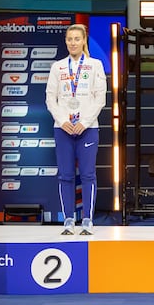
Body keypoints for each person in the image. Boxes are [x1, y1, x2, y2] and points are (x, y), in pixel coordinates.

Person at [45, 24, 107, 235]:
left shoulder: (95, 65)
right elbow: (50, 98)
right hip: (62, 128)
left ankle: (88, 220)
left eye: (76, 39)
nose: (73, 42)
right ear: (66, 41)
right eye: (69, 39)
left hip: (88, 128)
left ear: (83, 41)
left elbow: (100, 98)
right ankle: (69, 220)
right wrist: (62, 120)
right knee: (66, 175)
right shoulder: (57, 67)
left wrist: (85, 121)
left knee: (88, 175)